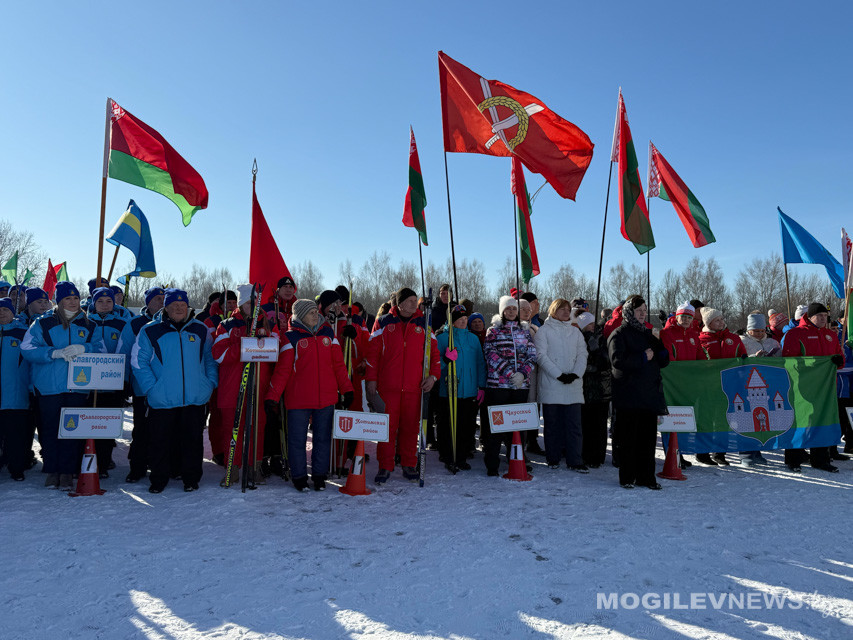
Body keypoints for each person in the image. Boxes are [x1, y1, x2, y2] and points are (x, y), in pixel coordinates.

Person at [132, 288, 218, 493]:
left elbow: (209, 358)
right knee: (160, 441)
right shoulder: (150, 330)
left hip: (194, 397)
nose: (179, 309)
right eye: (174, 306)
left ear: (188, 307)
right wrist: (151, 388)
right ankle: (159, 479)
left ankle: (191, 478)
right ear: (166, 308)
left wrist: (210, 383)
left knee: (192, 441)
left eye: (182, 305)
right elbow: (138, 362)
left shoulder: (200, 329)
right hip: (162, 397)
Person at [263, 299, 352, 491]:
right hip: (298, 400)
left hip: (326, 398)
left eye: (315, 311)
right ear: (300, 316)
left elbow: (338, 365)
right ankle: (299, 477)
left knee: (322, 439)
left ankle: (319, 476)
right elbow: (283, 371)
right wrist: (273, 396)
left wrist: (347, 389)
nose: (315, 314)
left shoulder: (328, 333)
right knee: (297, 440)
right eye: (310, 312)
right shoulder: (290, 338)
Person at [21, 282, 101, 489]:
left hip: (78, 386)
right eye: (68, 298)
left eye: (76, 298)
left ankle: (67, 471)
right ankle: (52, 470)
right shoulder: (42, 323)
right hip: (48, 386)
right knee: (50, 429)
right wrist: (52, 353)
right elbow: (27, 348)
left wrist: (85, 348)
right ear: (59, 300)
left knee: (72, 430)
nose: (73, 302)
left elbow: (101, 349)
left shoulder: (89, 324)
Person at [365, 287, 439, 483]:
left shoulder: (423, 322)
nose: (414, 303)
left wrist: (433, 376)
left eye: (415, 300)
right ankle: (385, 466)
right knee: (387, 429)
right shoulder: (382, 322)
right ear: (399, 304)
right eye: (410, 300)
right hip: (388, 387)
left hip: (415, 387)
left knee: (410, 428)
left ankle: (408, 463)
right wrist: (371, 380)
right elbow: (372, 354)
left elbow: (434, 354)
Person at [212, 284, 275, 485]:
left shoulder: (267, 323)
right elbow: (218, 355)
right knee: (232, 429)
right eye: (249, 303)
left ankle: (254, 468)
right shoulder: (227, 325)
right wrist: (244, 345)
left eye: (256, 302)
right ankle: (233, 468)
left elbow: (276, 352)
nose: (254, 306)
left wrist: (262, 343)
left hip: (258, 385)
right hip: (233, 388)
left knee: (257, 428)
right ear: (241, 304)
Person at [608, 295, 670, 489]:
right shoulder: (619, 334)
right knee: (629, 440)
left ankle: (647, 477)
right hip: (629, 396)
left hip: (649, 396)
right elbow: (618, 362)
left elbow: (664, 361)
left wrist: (660, 347)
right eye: (638, 311)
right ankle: (628, 477)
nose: (643, 314)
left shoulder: (648, 334)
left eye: (644, 310)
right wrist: (643, 357)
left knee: (648, 440)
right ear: (629, 313)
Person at [782, 302, 844, 473]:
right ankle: (793, 458)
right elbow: (788, 361)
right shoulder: (795, 334)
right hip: (801, 386)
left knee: (822, 420)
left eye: (826, 316)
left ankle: (820, 459)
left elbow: (839, 357)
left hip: (826, 388)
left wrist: (839, 361)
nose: (824, 319)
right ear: (809, 317)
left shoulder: (830, 335)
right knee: (800, 421)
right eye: (820, 316)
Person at [482, 295, 537, 476]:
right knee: (496, 428)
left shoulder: (524, 331)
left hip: (520, 386)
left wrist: (522, 373)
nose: (512, 312)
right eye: (508, 309)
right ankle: (492, 464)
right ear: (502, 311)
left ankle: (517, 460)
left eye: (514, 309)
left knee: (517, 427)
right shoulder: (494, 331)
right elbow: (491, 354)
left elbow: (532, 354)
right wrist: (509, 373)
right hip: (499, 386)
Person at [534, 299, 588, 471]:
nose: (566, 312)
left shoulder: (576, 332)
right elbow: (541, 356)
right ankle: (553, 457)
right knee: (552, 425)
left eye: (567, 309)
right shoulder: (544, 331)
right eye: (561, 309)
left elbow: (582, 355)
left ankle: (575, 459)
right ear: (553, 311)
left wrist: (575, 374)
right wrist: (558, 375)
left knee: (574, 426)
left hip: (573, 385)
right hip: (552, 385)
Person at [119, 286, 164, 483]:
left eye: (164, 299)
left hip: (166, 390)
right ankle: (137, 468)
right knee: (141, 429)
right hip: (142, 388)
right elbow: (125, 353)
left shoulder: (172, 323)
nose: (162, 303)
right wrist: (125, 381)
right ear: (148, 303)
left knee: (163, 431)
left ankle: (161, 466)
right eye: (157, 299)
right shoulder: (135, 324)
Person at [86, 286, 132, 476]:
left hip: (113, 384)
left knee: (106, 425)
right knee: (88, 425)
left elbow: (127, 353)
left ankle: (103, 463)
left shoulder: (123, 324)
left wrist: (124, 379)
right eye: (100, 301)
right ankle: (87, 461)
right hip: (87, 384)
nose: (104, 305)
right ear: (93, 303)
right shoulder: (85, 323)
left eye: (109, 301)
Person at [436, 305, 486, 471]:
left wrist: (481, 386)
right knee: (448, 424)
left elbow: (480, 363)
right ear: (453, 321)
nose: (464, 322)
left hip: (470, 390)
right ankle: (448, 454)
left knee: (467, 425)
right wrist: (446, 359)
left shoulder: (473, 339)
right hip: (449, 390)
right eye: (460, 319)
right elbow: (434, 366)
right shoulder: (443, 339)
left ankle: (462, 455)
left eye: (465, 319)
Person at [696, 307, 746, 466]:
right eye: (717, 320)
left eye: (722, 319)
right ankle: (702, 452)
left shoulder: (733, 338)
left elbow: (742, 357)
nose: (721, 322)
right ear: (708, 323)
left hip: (728, 386)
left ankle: (720, 453)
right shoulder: (701, 339)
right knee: (706, 419)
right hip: (708, 386)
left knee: (723, 419)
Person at [658, 302, 703, 469]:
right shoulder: (667, 333)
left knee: (685, 419)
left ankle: (681, 452)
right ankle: (672, 453)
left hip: (689, 384)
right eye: (682, 316)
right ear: (676, 317)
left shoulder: (694, 334)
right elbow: (669, 356)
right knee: (672, 418)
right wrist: (680, 374)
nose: (685, 320)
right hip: (673, 383)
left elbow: (700, 355)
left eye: (688, 317)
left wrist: (705, 367)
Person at [737, 313, 781, 466]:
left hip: (766, 385)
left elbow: (782, 359)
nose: (759, 334)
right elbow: (738, 359)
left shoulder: (772, 342)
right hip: (746, 384)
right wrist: (752, 357)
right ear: (749, 330)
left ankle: (757, 451)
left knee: (761, 420)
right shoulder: (742, 341)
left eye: (762, 331)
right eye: (756, 331)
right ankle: (745, 453)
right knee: (748, 419)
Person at [574, 309, 611, 468]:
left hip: (601, 388)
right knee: (586, 423)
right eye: (587, 323)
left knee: (600, 424)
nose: (590, 326)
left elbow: (607, 361)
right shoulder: (577, 338)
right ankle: (586, 454)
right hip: (584, 388)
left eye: (592, 323)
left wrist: (597, 350)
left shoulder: (602, 338)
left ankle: (598, 455)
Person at [0, 298, 31, 480]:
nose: (2, 313)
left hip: (16, 394)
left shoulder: (23, 333)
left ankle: (17, 468)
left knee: (15, 435)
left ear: (13, 312)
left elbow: (32, 362)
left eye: (5, 309)